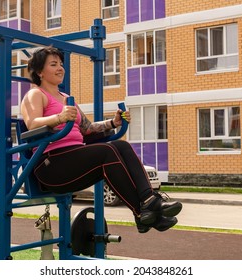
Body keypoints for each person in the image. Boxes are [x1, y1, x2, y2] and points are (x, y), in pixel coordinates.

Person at [21, 46, 182, 233]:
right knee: (107, 150)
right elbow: (32, 123)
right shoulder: (35, 94)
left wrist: (113, 123)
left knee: (121, 145)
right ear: (40, 71)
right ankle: (144, 211)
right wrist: (60, 117)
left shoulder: (66, 98)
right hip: (51, 165)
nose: (60, 68)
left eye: (61, 64)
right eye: (54, 64)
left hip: (73, 160)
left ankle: (147, 203)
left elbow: (87, 129)